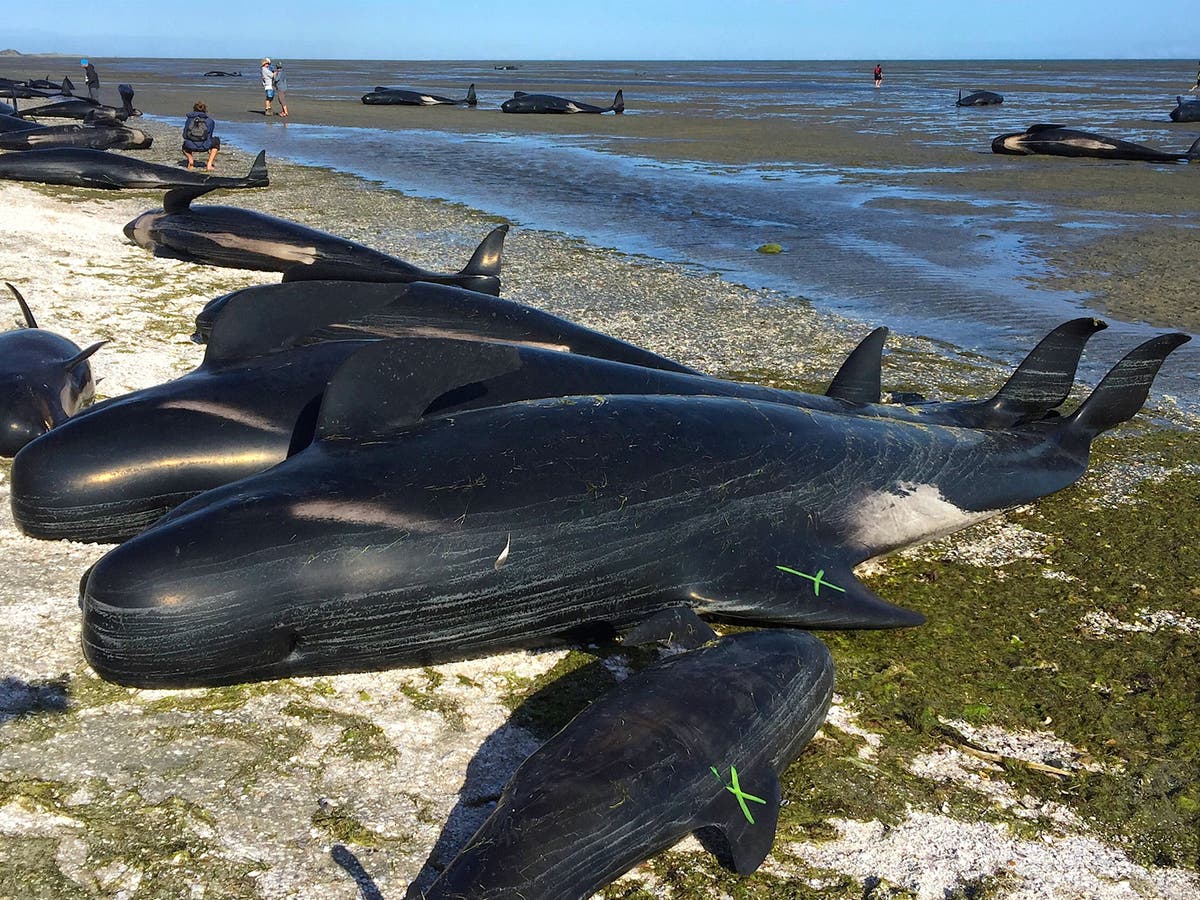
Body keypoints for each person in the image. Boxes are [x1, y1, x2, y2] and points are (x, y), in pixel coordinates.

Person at [181, 101, 220, 170]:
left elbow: (184, 135)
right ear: (205, 110)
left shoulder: (189, 120)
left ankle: (190, 160)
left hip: (189, 146)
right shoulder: (210, 121)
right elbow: (209, 135)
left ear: (194, 109)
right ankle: (209, 164)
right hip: (205, 146)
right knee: (216, 141)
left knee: (184, 145)